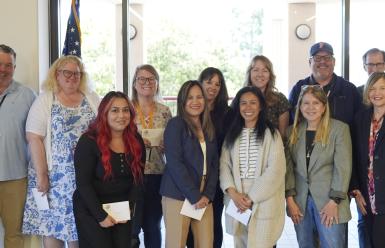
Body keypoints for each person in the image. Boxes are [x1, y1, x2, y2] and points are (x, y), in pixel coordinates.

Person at [22, 55, 100, 248]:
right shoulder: (45, 100)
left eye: (76, 73)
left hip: (84, 177)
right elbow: (34, 138)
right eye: (67, 72)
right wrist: (42, 176)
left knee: (79, 227)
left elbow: (104, 131)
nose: (72, 77)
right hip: (53, 179)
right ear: (56, 74)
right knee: (52, 228)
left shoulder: (92, 98)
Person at [72, 91, 145, 248]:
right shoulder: (88, 141)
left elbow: (138, 180)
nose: (121, 115)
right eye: (115, 110)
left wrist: (128, 210)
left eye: (126, 110)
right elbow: (83, 184)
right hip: (91, 209)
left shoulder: (136, 140)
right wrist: (101, 216)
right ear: (104, 113)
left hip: (121, 209)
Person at [285, 85, 352, 247]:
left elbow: (343, 168)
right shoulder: (291, 132)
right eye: (306, 103)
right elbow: (288, 170)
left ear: (323, 107)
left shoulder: (339, 129)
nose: (310, 108)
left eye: (316, 103)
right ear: (300, 107)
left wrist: (334, 201)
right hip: (300, 203)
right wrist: (290, 200)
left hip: (330, 202)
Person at [220, 86, 286, 247]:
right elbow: (224, 166)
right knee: (240, 242)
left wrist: (251, 198)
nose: (248, 107)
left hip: (263, 199)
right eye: (243, 103)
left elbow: (276, 170)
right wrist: (234, 194)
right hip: (237, 199)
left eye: (253, 103)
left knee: (261, 243)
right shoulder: (231, 134)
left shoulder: (272, 133)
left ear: (261, 106)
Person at [160, 80, 218, 248]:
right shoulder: (175, 124)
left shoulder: (208, 126)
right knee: (176, 244)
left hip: (204, 197)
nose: (195, 101)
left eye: (199, 97)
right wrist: (194, 196)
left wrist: (207, 194)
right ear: (182, 101)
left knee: (206, 244)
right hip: (178, 195)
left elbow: (214, 163)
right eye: (190, 97)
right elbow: (174, 163)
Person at [186, 67, 230, 248]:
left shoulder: (227, 114)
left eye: (217, 84)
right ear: (200, 83)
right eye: (209, 82)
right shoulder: (189, 112)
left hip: (215, 177)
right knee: (190, 225)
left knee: (213, 223)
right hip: (191, 178)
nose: (213, 87)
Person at [130, 64, 172, 248]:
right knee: (131, 227)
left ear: (157, 84)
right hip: (130, 174)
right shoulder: (126, 109)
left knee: (153, 226)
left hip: (157, 174)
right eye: (142, 79)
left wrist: (166, 146)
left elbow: (174, 144)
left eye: (151, 79)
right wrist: (135, 144)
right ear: (135, 83)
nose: (146, 83)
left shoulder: (164, 111)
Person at [0, 44, 36, 248]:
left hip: (15, 179)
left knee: (14, 235)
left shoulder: (27, 96)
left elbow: (39, 135)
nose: (3, 69)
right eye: (0, 64)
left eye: (9, 65)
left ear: (14, 67)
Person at [352, 48, 385, 248]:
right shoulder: (360, 120)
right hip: (365, 197)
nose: (377, 93)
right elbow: (355, 157)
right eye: (372, 89)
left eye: (382, 88)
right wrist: (356, 190)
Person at [288, 42, 361, 128]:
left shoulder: (349, 89)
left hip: (341, 140)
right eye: (317, 58)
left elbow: (359, 123)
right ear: (310, 62)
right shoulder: (298, 89)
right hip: (306, 140)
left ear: (333, 62)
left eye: (327, 58)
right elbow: (291, 121)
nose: (322, 61)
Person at [245, 55, 290, 137]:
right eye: (256, 70)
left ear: (270, 75)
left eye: (265, 71)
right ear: (249, 74)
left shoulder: (280, 100)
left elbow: (283, 136)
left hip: (274, 148)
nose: (260, 74)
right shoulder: (241, 98)